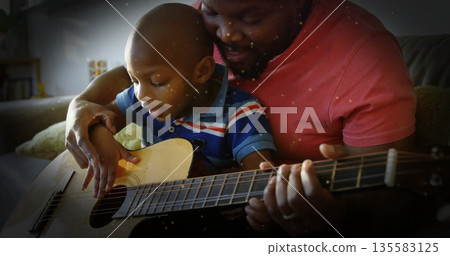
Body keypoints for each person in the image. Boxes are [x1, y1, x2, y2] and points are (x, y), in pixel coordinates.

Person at [65, 0, 416, 236]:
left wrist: (330, 221)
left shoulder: (366, 54)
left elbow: (386, 215)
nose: (224, 34)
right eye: (213, 12)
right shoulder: (197, 26)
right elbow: (141, 72)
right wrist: (82, 108)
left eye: (251, 18)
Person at [81, 3, 276, 198]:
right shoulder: (142, 100)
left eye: (157, 81)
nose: (140, 95)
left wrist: (262, 206)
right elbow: (96, 118)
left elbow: (260, 180)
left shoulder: (242, 112)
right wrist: (100, 134)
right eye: (134, 80)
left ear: (202, 71)